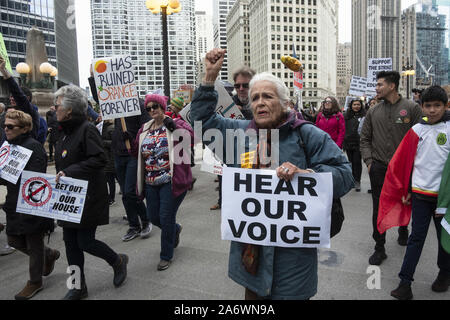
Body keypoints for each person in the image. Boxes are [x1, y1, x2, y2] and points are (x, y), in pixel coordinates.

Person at [190, 48, 353, 300]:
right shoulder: (238, 133)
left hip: (294, 261)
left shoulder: (307, 134)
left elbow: (344, 173)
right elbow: (201, 122)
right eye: (254, 98)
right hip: (251, 259)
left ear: (285, 103)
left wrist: (307, 175)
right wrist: (208, 80)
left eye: (267, 96)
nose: (260, 102)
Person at [375, 86, 450, 299]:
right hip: (419, 195)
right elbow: (405, 162)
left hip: (445, 198)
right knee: (416, 238)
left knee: (445, 237)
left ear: (446, 106)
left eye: (438, 105)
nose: (433, 110)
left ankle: (444, 274)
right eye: (428, 106)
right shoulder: (417, 130)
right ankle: (405, 282)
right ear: (422, 106)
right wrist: (406, 189)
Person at [53, 85, 128, 300]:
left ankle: (118, 260)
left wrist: (69, 171)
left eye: (57, 105)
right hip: (68, 200)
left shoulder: (87, 129)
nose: (54, 108)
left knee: (85, 241)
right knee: (70, 243)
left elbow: (99, 159)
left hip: (88, 197)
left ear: (68, 109)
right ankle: (77, 286)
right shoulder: (64, 134)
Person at [360, 71, 423, 266]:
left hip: (405, 169)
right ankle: (379, 247)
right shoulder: (373, 111)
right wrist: (369, 162)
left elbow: (422, 139)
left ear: (392, 86)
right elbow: (365, 139)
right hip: (379, 167)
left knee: (404, 201)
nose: (376, 88)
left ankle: (403, 228)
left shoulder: (412, 108)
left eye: (379, 84)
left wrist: (414, 166)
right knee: (379, 208)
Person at [0, 110, 59, 300]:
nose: (6, 129)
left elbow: (37, 178)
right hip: (12, 202)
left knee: (34, 244)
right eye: (5, 126)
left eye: (10, 126)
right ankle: (48, 254)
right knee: (13, 241)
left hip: (31, 203)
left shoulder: (34, 147)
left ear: (25, 128)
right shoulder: (7, 146)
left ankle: (35, 282)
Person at [88, 73, 152, 242]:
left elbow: (147, 129)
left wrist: (134, 140)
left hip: (132, 154)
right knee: (124, 193)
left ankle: (146, 220)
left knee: (131, 192)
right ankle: (133, 226)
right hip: (118, 154)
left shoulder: (139, 105)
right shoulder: (116, 104)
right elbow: (100, 98)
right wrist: (93, 79)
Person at [133, 93, 193, 271]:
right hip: (151, 181)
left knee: (165, 217)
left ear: (162, 107)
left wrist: (174, 127)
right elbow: (137, 151)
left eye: (155, 106)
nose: (152, 110)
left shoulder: (174, 122)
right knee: (153, 216)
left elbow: (191, 139)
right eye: (148, 108)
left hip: (171, 180)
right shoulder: (144, 128)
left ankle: (166, 255)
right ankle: (174, 229)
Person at [0, 56, 40, 141]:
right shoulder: (8, 115)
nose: (12, 99)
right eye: (6, 126)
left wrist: (4, 71)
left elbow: (18, 95)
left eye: (10, 126)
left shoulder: (31, 113)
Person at [344, 99, 366, 192]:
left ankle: (357, 181)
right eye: (354, 104)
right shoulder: (346, 116)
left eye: (358, 104)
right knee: (350, 162)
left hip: (358, 143)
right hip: (348, 143)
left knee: (357, 162)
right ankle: (352, 180)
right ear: (351, 106)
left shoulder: (364, 116)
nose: (356, 106)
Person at [101, 120, 117, 206]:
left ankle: (111, 198)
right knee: (108, 179)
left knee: (111, 180)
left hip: (111, 158)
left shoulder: (111, 128)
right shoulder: (101, 127)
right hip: (105, 158)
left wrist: (103, 142)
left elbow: (115, 143)